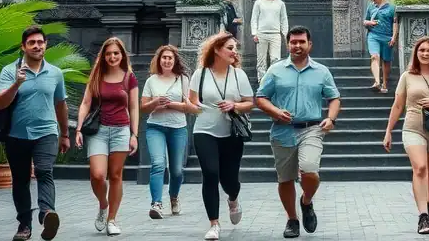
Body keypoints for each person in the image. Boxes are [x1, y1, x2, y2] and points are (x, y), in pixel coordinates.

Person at [256, 26, 341, 238]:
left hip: (311, 128)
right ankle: (292, 219)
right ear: (287, 44)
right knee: (285, 179)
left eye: (302, 41)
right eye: (293, 42)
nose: (297, 45)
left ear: (309, 44)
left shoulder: (322, 71)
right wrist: (276, 111)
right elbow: (260, 98)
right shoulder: (275, 70)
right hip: (282, 130)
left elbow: (334, 98)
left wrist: (331, 118)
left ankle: (306, 201)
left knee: (310, 170)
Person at [0, 26, 70, 241]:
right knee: (20, 180)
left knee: (45, 171)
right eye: (32, 42)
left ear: (46, 44)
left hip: (46, 133)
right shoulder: (10, 71)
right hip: (16, 135)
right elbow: (0, 103)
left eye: (40, 42)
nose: (37, 46)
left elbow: (60, 104)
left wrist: (65, 134)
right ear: (23, 47)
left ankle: (46, 214)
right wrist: (17, 83)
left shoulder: (55, 72)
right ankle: (24, 226)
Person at [383, 37, 429, 235]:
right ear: (415, 53)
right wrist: (388, 131)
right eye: (421, 50)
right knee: (420, 168)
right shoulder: (407, 76)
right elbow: (398, 105)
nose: (425, 54)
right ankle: (423, 216)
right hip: (413, 127)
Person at [188, 32, 256, 240]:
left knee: (230, 180)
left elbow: (250, 103)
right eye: (230, 48)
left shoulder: (239, 75)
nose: (234, 52)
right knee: (210, 173)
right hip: (204, 130)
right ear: (217, 49)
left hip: (231, 133)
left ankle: (233, 198)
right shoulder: (200, 74)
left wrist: (234, 105)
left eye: (235, 48)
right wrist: (196, 108)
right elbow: (191, 102)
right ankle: (214, 224)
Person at [74, 37, 139, 236]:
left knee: (116, 175)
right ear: (103, 56)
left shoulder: (129, 77)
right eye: (109, 54)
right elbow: (85, 103)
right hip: (98, 131)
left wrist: (134, 134)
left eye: (116, 53)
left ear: (122, 55)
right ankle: (103, 204)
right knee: (98, 175)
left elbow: (134, 107)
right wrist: (78, 129)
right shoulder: (96, 76)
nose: (112, 57)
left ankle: (112, 219)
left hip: (121, 130)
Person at [140, 45, 191, 219]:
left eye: (170, 58)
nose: (167, 61)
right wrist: (155, 102)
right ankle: (156, 203)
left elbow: (190, 107)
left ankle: (174, 197)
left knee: (176, 170)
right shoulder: (151, 80)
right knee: (158, 164)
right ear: (159, 60)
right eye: (164, 58)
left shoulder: (183, 79)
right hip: (155, 127)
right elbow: (143, 108)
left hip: (178, 128)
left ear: (175, 60)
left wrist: (170, 104)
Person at [251, 0, 289, 82]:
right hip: (261, 34)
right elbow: (254, 18)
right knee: (261, 60)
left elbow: (283, 20)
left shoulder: (280, 4)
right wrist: (254, 33)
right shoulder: (259, 3)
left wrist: (285, 34)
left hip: (275, 34)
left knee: (275, 59)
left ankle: (274, 80)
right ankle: (261, 82)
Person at [363, 0, 397, 93]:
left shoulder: (392, 7)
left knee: (386, 61)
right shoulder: (371, 7)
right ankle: (377, 82)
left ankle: (385, 84)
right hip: (373, 35)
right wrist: (368, 23)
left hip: (387, 37)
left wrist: (394, 37)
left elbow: (395, 23)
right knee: (374, 56)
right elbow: (365, 20)